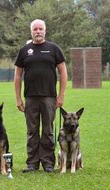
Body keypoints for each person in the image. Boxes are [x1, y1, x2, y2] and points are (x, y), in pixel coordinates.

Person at [14, 19, 67, 173]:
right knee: (32, 131)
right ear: (31, 31)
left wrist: (61, 95)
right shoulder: (25, 50)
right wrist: (18, 98)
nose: (38, 31)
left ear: (45, 31)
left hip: (49, 97)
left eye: (40, 29)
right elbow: (17, 76)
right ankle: (32, 163)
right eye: (35, 29)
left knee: (48, 131)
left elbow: (63, 72)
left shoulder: (54, 49)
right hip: (30, 97)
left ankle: (48, 163)